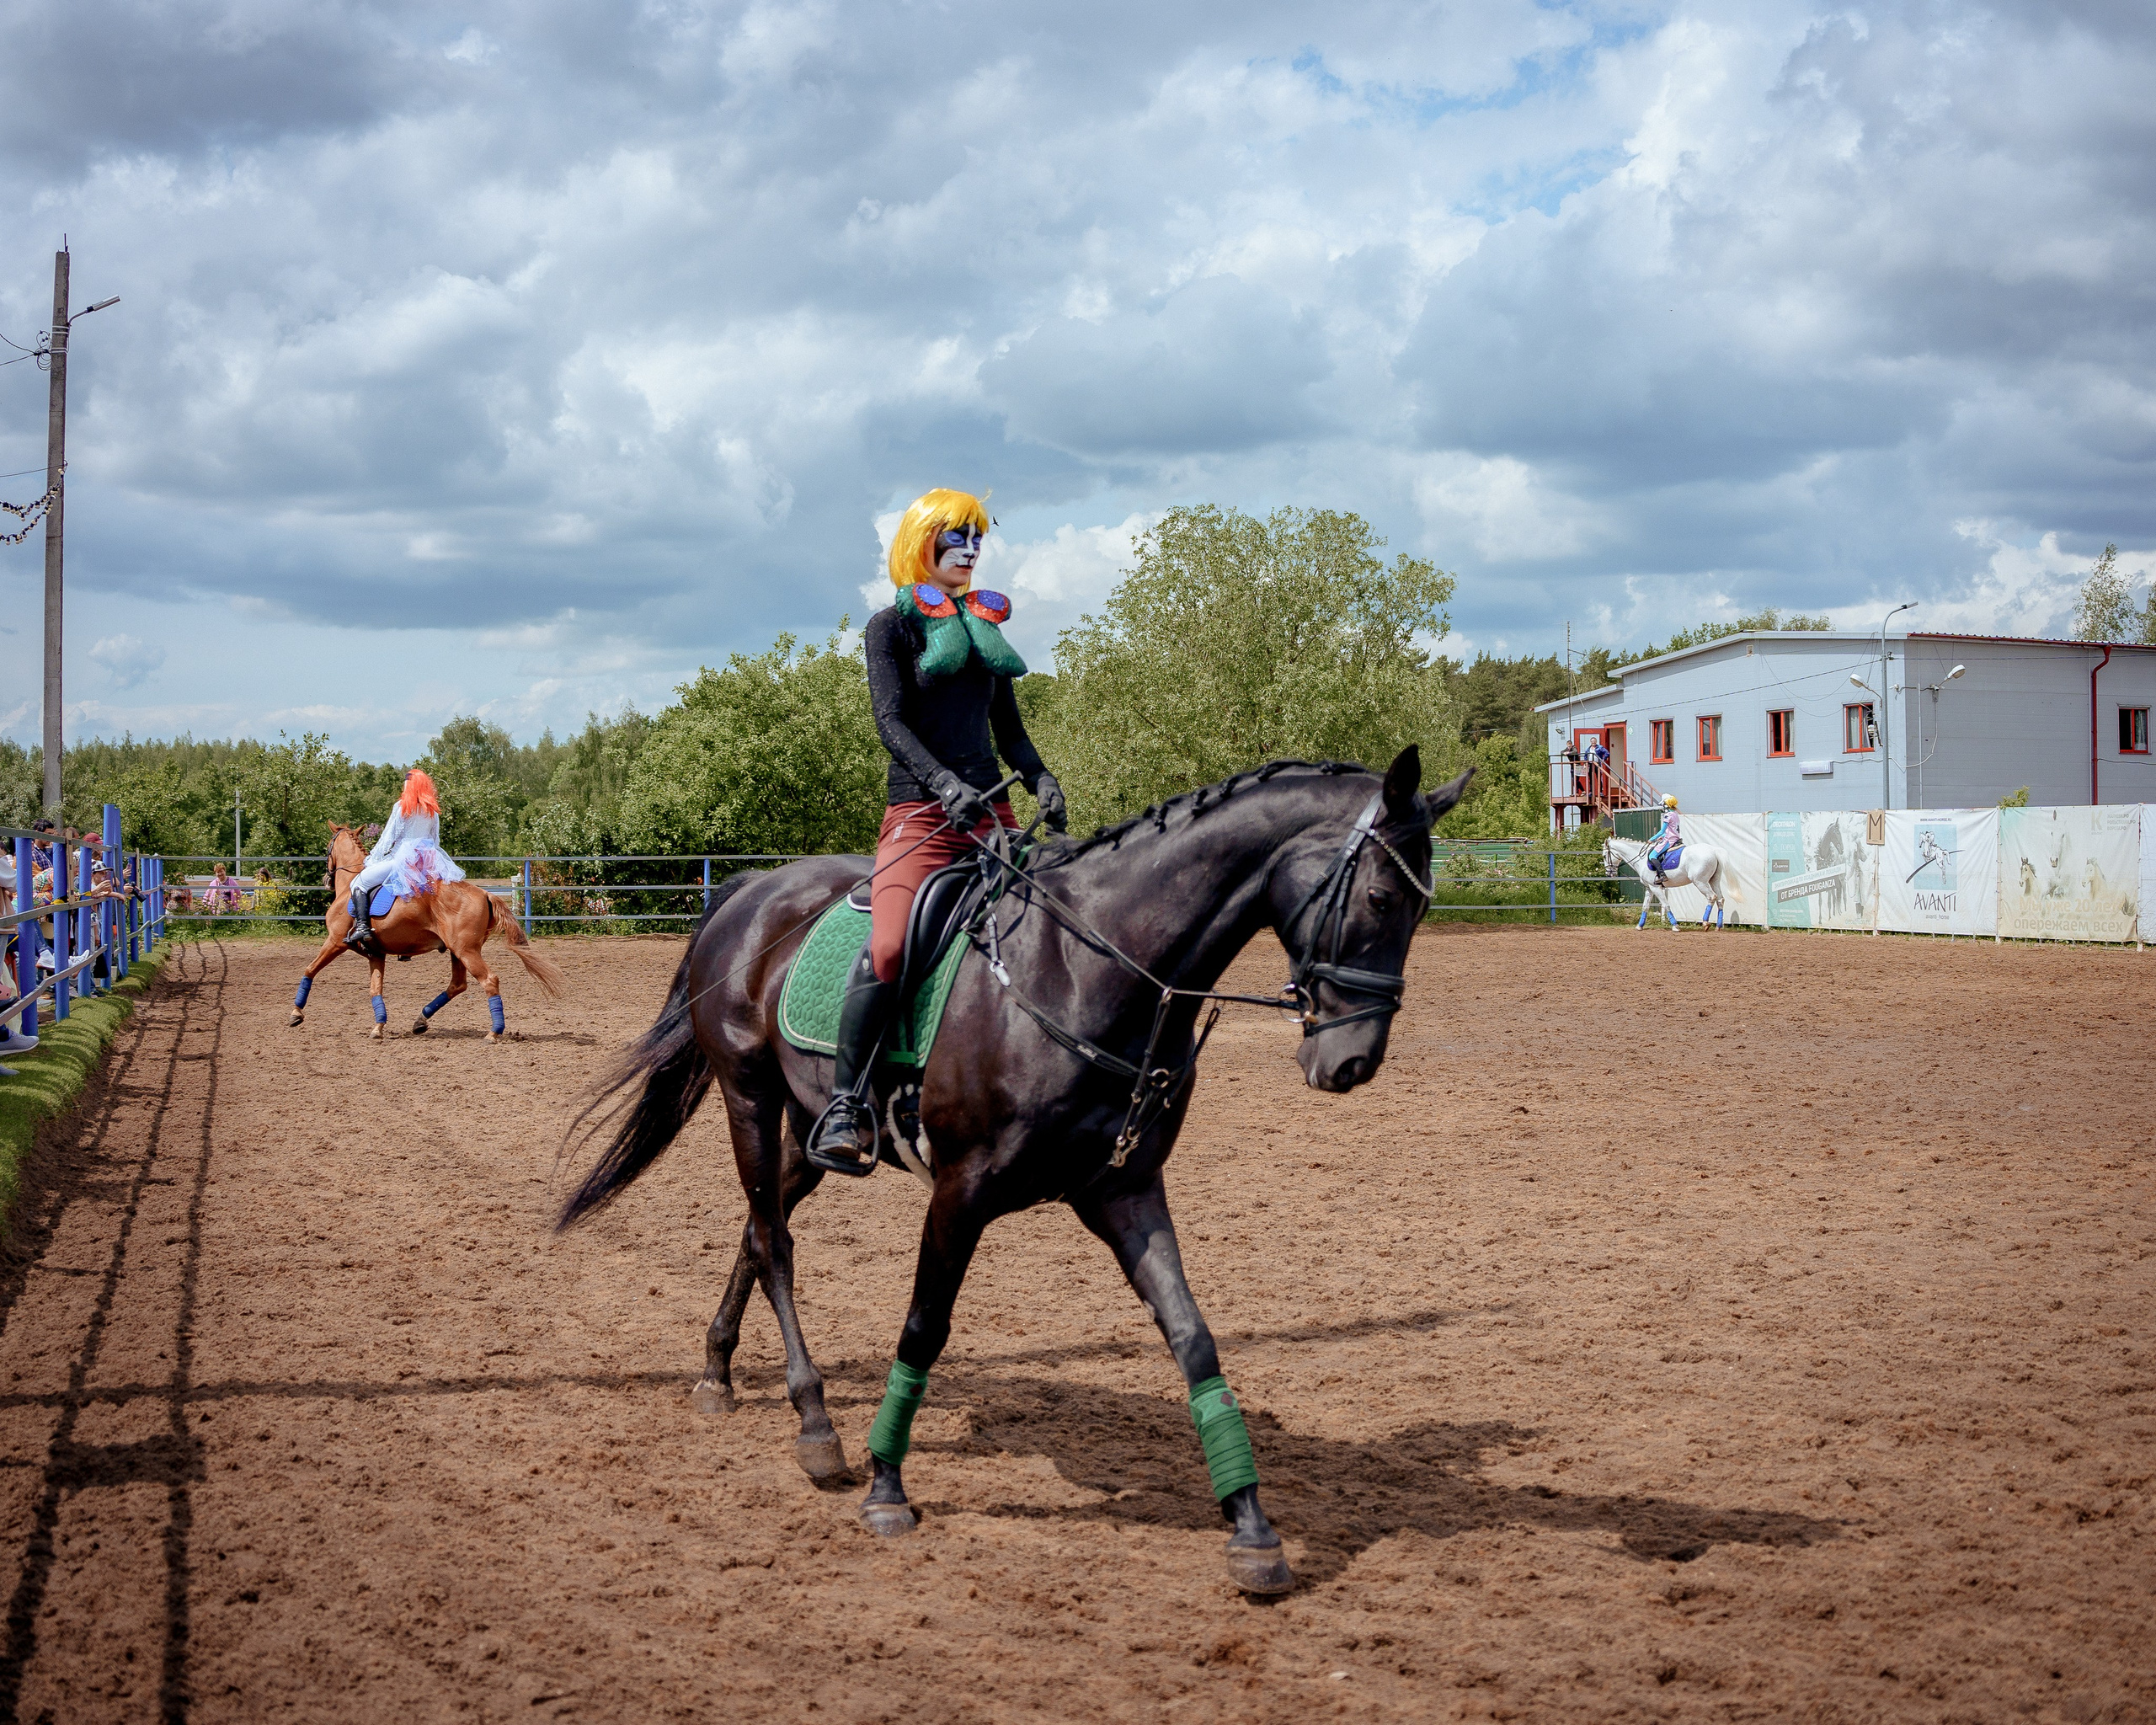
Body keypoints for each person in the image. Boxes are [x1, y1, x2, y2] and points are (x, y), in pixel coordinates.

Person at [805, 487, 1066, 1171]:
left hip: (994, 816)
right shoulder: (889, 628)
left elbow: (1008, 731)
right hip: (921, 817)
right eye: (959, 538)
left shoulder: (985, 630)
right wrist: (942, 783)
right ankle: (845, 1104)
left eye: (978, 539)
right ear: (924, 544)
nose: (972, 551)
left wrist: (1040, 776)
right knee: (889, 948)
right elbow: (890, 722)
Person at [345, 768, 464, 953]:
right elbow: (435, 840)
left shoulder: (402, 806)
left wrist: (373, 859)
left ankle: (362, 927)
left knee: (358, 883)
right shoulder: (432, 810)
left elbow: (389, 837)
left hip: (403, 857)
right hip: (427, 861)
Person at [1645, 793, 1682, 884]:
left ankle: (1662, 875)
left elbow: (1662, 831)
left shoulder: (1668, 815)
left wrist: (1651, 839)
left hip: (1669, 840)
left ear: (1666, 805)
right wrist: (1663, 836)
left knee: (1652, 856)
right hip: (1675, 838)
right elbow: (1671, 829)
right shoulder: (1675, 814)